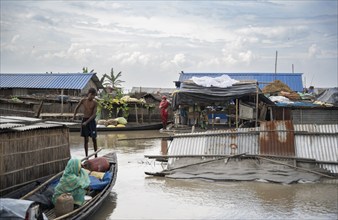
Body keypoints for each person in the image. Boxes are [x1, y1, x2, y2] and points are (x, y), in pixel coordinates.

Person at [73, 88, 98, 157]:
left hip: (91, 121)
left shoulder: (95, 103)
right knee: (86, 139)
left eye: (94, 96)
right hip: (84, 120)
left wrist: (86, 122)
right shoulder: (83, 100)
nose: (93, 97)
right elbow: (77, 108)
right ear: (89, 94)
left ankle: (96, 155)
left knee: (94, 138)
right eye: (92, 95)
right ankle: (86, 156)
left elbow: (94, 115)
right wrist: (74, 116)